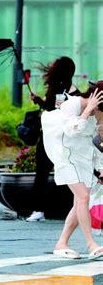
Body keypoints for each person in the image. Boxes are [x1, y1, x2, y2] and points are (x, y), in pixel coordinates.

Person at [42, 81, 103, 260]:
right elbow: (71, 131)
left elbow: (95, 142)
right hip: (64, 156)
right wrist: (87, 110)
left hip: (81, 158)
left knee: (79, 202)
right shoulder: (71, 105)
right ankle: (91, 244)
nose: (97, 113)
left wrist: (100, 168)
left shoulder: (96, 113)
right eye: (98, 108)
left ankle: (61, 243)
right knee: (84, 197)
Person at [26, 56, 80, 222]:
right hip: (64, 137)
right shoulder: (73, 89)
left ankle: (38, 210)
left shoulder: (56, 88)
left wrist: (38, 101)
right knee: (67, 172)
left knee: (42, 173)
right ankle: (70, 208)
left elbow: (51, 109)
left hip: (50, 136)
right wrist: (41, 101)